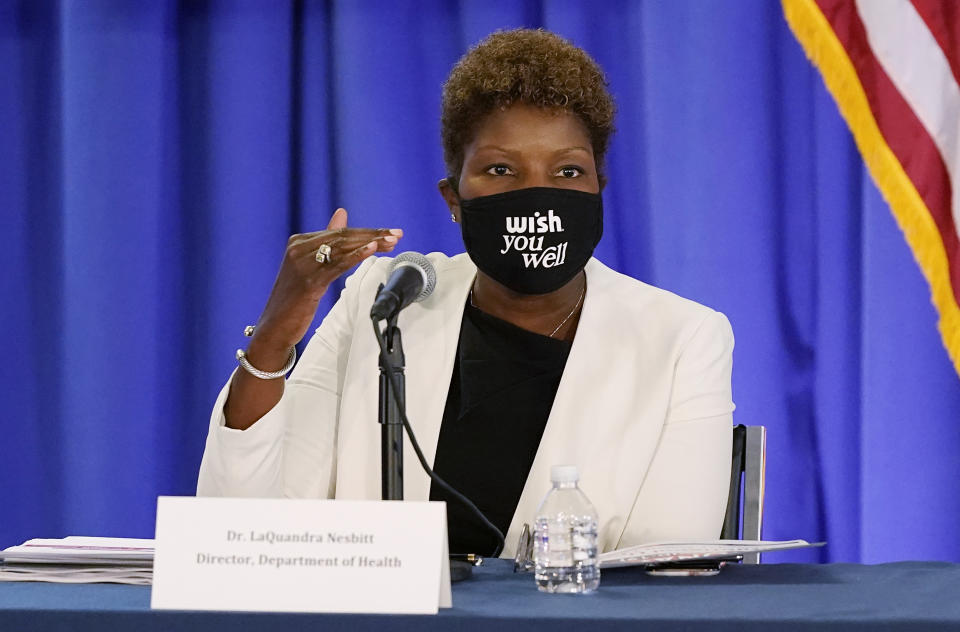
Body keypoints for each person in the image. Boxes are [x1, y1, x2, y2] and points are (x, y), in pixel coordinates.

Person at [198, 29, 734, 557]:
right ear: (453, 199)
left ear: (598, 190)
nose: (534, 195)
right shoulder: (384, 302)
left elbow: (672, 564)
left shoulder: (682, 338)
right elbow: (248, 533)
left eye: (567, 170)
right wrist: (276, 331)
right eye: (500, 169)